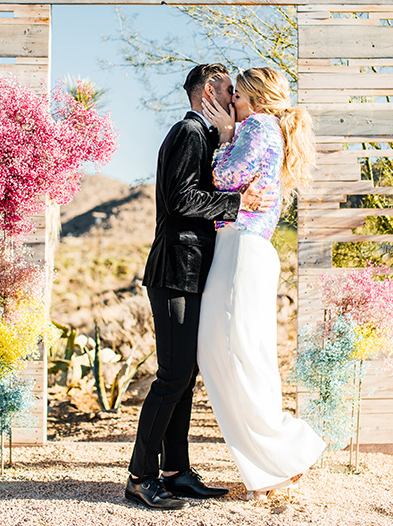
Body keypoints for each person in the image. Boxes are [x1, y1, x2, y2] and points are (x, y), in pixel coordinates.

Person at [125, 63, 274, 510]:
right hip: (175, 270)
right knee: (172, 376)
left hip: (191, 271)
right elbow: (180, 199)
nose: (233, 97)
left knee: (184, 376)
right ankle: (140, 476)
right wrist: (237, 201)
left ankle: (176, 471)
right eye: (229, 89)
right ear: (209, 90)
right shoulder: (188, 132)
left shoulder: (205, 136)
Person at [198, 66, 326, 501]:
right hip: (243, 249)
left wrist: (222, 138)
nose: (227, 101)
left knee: (234, 356)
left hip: (241, 249)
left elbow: (224, 179)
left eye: (235, 94)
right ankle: (273, 463)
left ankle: (282, 460)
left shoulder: (255, 126)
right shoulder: (264, 127)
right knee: (237, 355)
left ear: (249, 97)